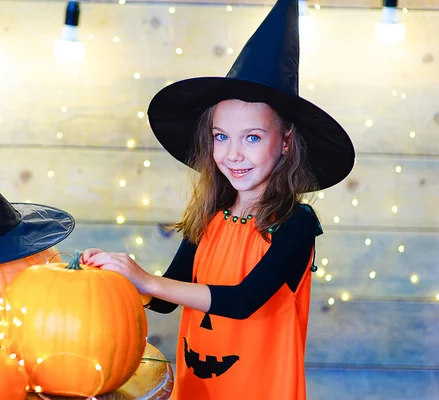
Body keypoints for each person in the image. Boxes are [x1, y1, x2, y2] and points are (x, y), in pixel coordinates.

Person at [83, 0, 355, 399]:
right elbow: (164, 299)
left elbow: (243, 301)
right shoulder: (210, 216)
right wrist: (118, 279)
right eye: (220, 136)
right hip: (198, 389)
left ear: (285, 142)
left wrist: (146, 279)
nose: (232, 154)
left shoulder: (294, 225)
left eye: (253, 137)